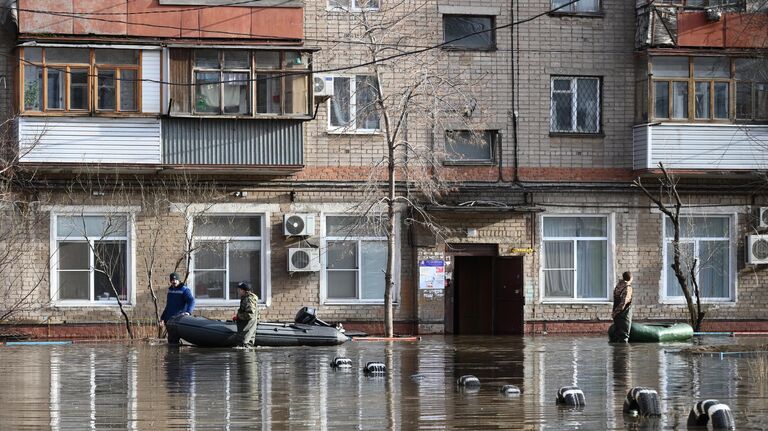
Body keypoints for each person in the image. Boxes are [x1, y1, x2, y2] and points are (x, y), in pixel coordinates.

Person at [160, 272, 195, 344]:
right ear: (170, 281)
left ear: (179, 280)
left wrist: (188, 312)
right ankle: (173, 354)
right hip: (169, 319)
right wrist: (162, 318)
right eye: (172, 280)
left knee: (175, 340)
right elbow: (168, 306)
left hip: (178, 319)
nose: (174, 281)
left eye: (176, 280)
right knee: (171, 341)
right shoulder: (170, 290)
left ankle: (176, 353)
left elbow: (192, 301)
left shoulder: (184, 290)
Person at [233, 281, 259, 348]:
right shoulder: (245, 298)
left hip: (247, 329)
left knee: (244, 346)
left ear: (244, 291)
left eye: (239, 290)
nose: (238, 291)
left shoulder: (249, 299)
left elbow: (249, 314)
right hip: (246, 328)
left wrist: (239, 316)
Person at [611, 271, 633, 343]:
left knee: (616, 334)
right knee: (624, 336)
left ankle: (615, 352)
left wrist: (614, 313)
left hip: (616, 313)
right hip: (624, 315)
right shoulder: (628, 288)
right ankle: (623, 352)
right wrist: (617, 312)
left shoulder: (618, 285)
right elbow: (623, 303)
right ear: (630, 278)